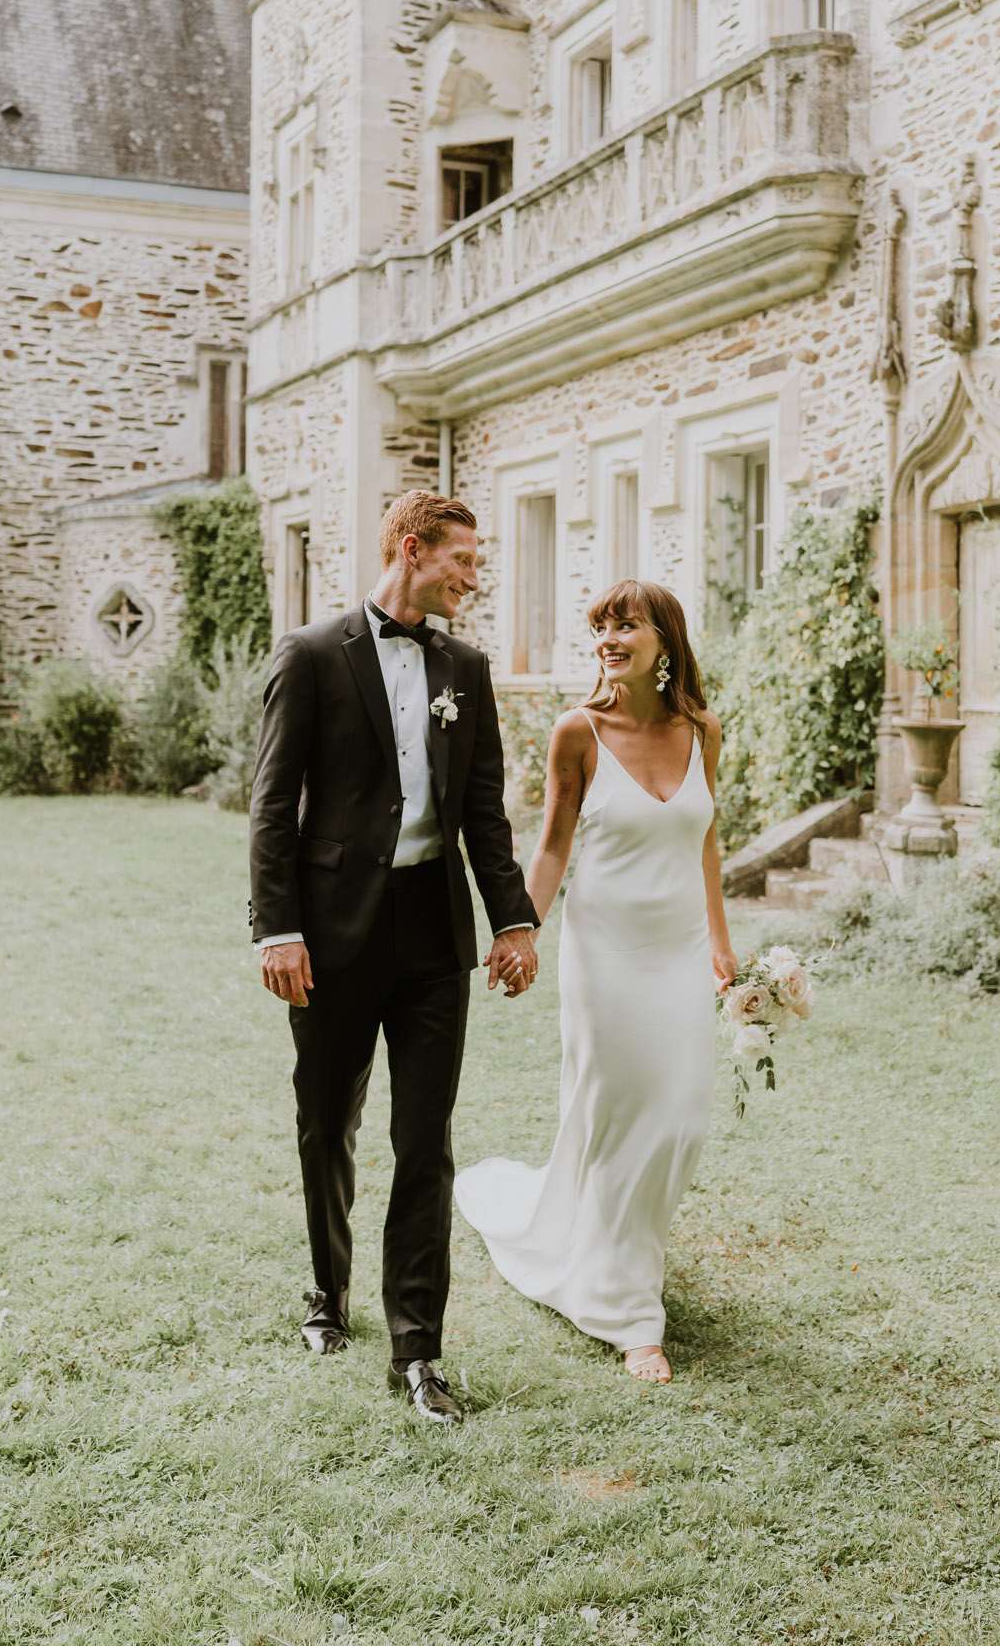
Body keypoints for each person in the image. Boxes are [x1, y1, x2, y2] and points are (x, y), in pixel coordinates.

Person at [248, 490, 538, 1426]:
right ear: (411, 551)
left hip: (430, 934)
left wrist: (513, 919)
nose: (475, 576)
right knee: (326, 1121)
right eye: (463, 559)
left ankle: (417, 1350)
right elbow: (271, 805)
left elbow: (484, 811)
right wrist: (276, 928)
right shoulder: (309, 654)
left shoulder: (468, 666)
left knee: (426, 1144)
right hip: (330, 933)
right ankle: (327, 1291)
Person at [455, 580, 737, 1385]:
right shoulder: (577, 732)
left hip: (679, 951)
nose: (609, 638)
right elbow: (550, 847)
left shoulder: (702, 731)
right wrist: (521, 928)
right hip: (604, 953)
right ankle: (627, 1311)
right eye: (600, 627)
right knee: (618, 1117)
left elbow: (707, 841)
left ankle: (606, 1250)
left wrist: (720, 943)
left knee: (679, 1120)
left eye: (626, 625)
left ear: (664, 642)